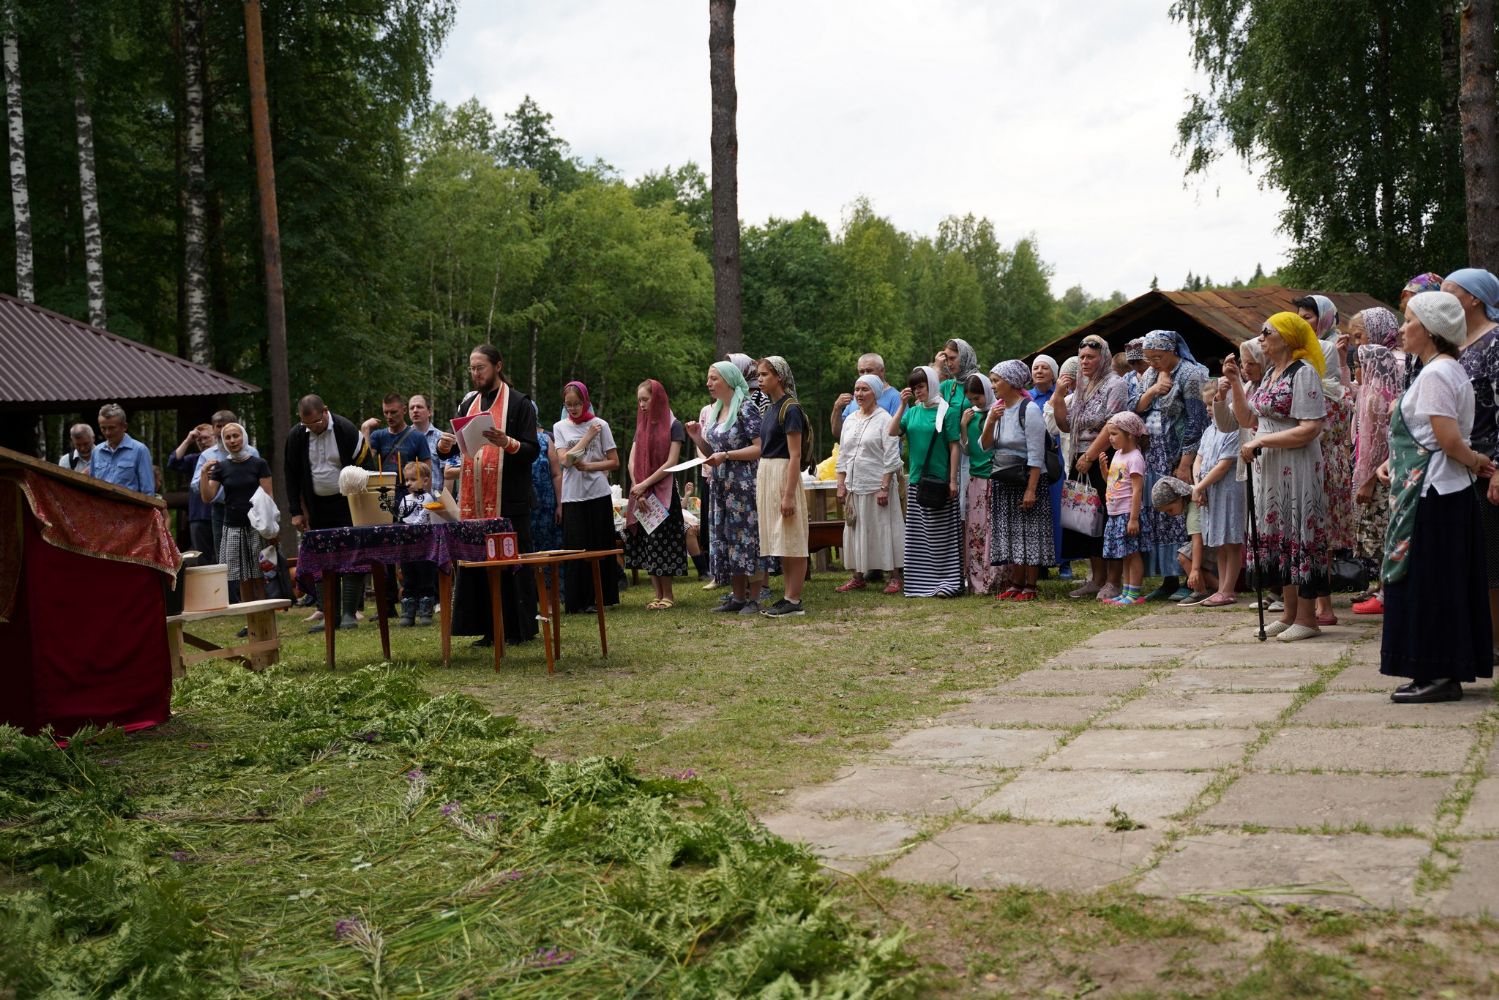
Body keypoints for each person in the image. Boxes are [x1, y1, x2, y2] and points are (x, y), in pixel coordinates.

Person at [1378, 291, 1496, 702]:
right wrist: (1393, 461)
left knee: (1432, 584)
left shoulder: (1437, 374)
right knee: (1435, 582)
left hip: (1435, 495)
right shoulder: (1438, 370)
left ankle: (1439, 674)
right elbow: (1427, 436)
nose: (1402, 328)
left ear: (1429, 330)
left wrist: (1477, 460)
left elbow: (1447, 439)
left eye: (1409, 320)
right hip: (1434, 491)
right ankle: (1432, 669)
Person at [1223, 312, 1329, 641]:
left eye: (1267, 332)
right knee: (1281, 536)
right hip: (1269, 466)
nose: (1261, 337)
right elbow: (1247, 419)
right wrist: (1236, 383)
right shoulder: (1270, 374)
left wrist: (1262, 442)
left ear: (1287, 337)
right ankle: (1289, 614)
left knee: (1299, 532)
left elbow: (1310, 428)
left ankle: (1308, 619)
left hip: (1296, 464)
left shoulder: (1304, 373)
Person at [449, 345, 540, 646]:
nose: (475, 374)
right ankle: (487, 628)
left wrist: (507, 442)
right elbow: (463, 448)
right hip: (475, 503)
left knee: (512, 563)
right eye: (472, 369)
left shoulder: (520, 403)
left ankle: (518, 629)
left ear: (497, 366)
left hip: (509, 500)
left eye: (480, 368)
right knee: (480, 563)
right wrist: (445, 447)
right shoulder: (468, 405)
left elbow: (532, 450)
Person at [1443, 268, 1499, 660]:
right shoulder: (1453, 344)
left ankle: (1493, 641)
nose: (1442, 297)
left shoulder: (1495, 341)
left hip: (1487, 465)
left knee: (1491, 560)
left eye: (1450, 291)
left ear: (1474, 298)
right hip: (1456, 464)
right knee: (1465, 558)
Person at [1131, 330, 1209, 600]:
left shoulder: (1190, 374)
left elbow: (1197, 420)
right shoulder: (1151, 375)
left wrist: (1186, 463)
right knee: (1160, 515)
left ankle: (1190, 576)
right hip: (1153, 454)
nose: (1152, 362)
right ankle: (1168, 577)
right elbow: (1135, 407)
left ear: (1172, 351)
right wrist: (1154, 389)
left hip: (1176, 454)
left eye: (1157, 357)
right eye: (1149, 358)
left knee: (1181, 514)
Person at [1051, 334, 1129, 600]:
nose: (1084, 362)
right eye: (1082, 357)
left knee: (1109, 516)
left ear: (1102, 357)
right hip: (1080, 455)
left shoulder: (1116, 384)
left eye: (1090, 357)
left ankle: (1113, 581)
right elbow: (1065, 425)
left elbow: (1113, 424)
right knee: (1087, 518)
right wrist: (1059, 396)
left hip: (1105, 455)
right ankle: (1096, 579)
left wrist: (1091, 456)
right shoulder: (1083, 386)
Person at [285, 394, 372, 631]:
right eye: (306, 424)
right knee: (323, 558)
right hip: (316, 506)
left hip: (348, 503)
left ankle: (349, 613)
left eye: (316, 422)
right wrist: (296, 511)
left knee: (351, 556)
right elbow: (291, 475)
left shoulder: (346, 429)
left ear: (325, 411)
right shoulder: (297, 435)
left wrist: (365, 504)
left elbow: (367, 465)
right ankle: (329, 614)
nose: (312, 428)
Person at [686, 362, 766, 614]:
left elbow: (759, 447)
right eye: (708, 379)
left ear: (729, 380)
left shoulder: (746, 407)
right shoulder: (718, 410)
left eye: (714, 378)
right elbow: (714, 452)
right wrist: (697, 437)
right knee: (728, 538)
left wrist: (728, 455)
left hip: (743, 485)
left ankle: (755, 598)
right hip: (721, 485)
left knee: (747, 538)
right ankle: (738, 597)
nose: (708, 383)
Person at [1348, 307, 1405, 613]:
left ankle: (1387, 593)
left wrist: (1369, 478)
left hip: (1385, 467)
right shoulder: (1375, 367)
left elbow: (1384, 432)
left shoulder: (1392, 366)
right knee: (1378, 531)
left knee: (1385, 531)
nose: (1358, 344)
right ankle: (1382, 588)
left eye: (1360, 336)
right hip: (1375, 464)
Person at [983, 360, 1055, 600]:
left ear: (1012, 382)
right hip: (1004, 478)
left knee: (1030, 531)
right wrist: (991, 421)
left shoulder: (1029, 409)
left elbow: (1036, 454)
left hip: (1027, 479)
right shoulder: (997, 409)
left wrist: (1031, 490)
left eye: (996, 381)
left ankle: (1030, 586)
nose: (993, 386)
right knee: (1012, 532)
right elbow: (984, 446)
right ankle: (1015, 583)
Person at [890, 365, 962, 598]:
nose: (917, 391)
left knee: (943, 535)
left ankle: (947, 582)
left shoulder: (947, 411)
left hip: (940, 481)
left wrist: (953, 480)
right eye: (914, 388)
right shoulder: (912, 412)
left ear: (931, 384)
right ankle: (921, 582)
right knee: (920, 536)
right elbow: (892, 431)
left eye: (921, 386)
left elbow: (954, 446)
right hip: (917, 481)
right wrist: (902, 405)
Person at [551, 380, 621, 614]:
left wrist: (591, 466)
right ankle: (577, 600)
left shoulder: (601, 425)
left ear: (585, 402)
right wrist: (587, 437)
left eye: (577, 404)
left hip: (598, 493)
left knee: (599, 546)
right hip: (573, 496)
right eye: (568, 404)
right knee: (576, 549)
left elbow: (614, 461)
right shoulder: (560, 427)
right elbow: (565, 460)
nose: (573, 409)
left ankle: (601, 598)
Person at [835, 373, 905, 594]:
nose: (859, 394)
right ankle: (858, 576)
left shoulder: (885, 419)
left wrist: (884, 487)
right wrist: (841, 484)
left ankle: (895, 576)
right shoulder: (850, 420)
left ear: (875, 393)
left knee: (885, 528)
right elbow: (843, 454)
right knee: (856, 529)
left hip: (877, 486)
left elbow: (891, 455)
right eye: (857, 389)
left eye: (864, 389)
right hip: (855, 485)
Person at [624, 378, 688, 610]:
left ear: (657, 399)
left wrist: (645, 485)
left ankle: (667, 594)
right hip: (641, 493)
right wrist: (638, 489)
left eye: (645, 399)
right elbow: (632, 461)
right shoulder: (641, 425)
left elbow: (671, 462)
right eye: (639, 401)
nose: (641, 405)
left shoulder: (674, 425)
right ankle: (656, 593)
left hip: (663, 492)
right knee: (648, 542)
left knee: (662, 542)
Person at [754, 357, 811, 617]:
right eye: (758, 374)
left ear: (779, 376)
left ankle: (794, 599)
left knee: (792, 538)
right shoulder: (770, 408)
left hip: (783, 474)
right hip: (768, 473)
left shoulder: (791, 409)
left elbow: (795, 455)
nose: (760, 379)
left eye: (765, 374)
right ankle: (788, 595)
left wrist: (788, 495)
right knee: (782, 540)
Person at [200, 422, 273, 603]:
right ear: (223, 441)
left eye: (236, 436)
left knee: (260, 574)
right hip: (232, 526)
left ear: (244, 437)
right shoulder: (221, 467)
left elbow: (268, 498)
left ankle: (264, 612)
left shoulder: (259, 464)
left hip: (256, 526)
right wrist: (203, 473)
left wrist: (271, 529)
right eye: (228, 437)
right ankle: (249, 614)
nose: (232, 440)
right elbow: (207, 497)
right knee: (242, 576)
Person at [1187, 382, 1244, 607]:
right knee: (1219, 542)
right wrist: (1198, 485)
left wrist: (1200, 487)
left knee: (1231, 540)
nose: (1208, 409)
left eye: (1211, 404)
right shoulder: (1209, 430)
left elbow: (1223, 465)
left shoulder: (1233, 429)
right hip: (1209, 490)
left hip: (1228, 490)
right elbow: (1198, 460)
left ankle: (1229, 589)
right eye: (1206, 405)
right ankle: (1221, 588)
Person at [1313, 338, 1355, 625]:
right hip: (1338, 464)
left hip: (1318, 463)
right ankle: (1321, 603)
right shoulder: (1341, 392)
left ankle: (1323, 605)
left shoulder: (1318, 394)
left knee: (1317, 536)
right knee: (1326, 540)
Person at [957, 373, 1001, 595]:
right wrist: (963, 426)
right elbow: (966, 450)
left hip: (995, 477)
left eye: (978, 398)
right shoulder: (971, 414)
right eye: (971, 399)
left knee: (994, 529)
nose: (975, 402)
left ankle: (996, 577)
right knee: (976, 531)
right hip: (975, 479)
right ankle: (976, 579)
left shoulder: (998, 411)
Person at [1100, 411, 1148, 605]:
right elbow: (1113, 481)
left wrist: (1134, 518)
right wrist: (1104, 471)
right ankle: (1126, 591)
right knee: (1125, 554)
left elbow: (1137, 490)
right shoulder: (1118, 454)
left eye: (1114, 434)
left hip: (1128, 513)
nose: (1110, 438)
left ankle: (1133, 593)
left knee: (1132, 554)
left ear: (1129, 434)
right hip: (1115, 512)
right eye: (1109, 434)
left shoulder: (1135, 458)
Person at [1149, 474, 1215, 602]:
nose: (1170, 514)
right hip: (1215, 541)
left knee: (1183, 556)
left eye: (1170, 510)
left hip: (1213, 544)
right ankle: (1219, 589)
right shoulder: (1190, 494)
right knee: (1197, 566)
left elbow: (1197, 541)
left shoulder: (1193, 509)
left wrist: (1194, 570)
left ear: (1179, 498)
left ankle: (1201, 591)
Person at [1029, 354, 1066, 572]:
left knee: (1059, 508)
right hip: (1035, 459)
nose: (1039, 371)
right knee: (1037, 510)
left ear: (1054, 373)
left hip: (1057, 458)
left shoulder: (1062, 395)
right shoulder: (1027, 398)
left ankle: (1064, 561)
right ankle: (1040, 562)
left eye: (1045, 367)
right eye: (1036, 368)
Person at [395, 461, 438, 626]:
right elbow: (401, 517)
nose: (408, 483)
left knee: (426, 576)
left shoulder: (428, 498)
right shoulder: (405, 499)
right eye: (407, 480)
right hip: (408, 545)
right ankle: (408, 611)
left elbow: (423, 517)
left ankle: (425, 610)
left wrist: (410, 526)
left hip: (424, 544)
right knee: (408, 577)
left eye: (413, 479)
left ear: (425, 481)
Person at [167, 422, 217, 556]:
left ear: (216, 437)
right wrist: (188, 440)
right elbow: (173, 462)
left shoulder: (223, 457)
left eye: (206, 438)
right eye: (199, 440)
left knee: (223, 555)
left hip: (220, 513)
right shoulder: (194, 459)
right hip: (199, 515)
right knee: (202, 557)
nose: (202, 442)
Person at [829, 353, 902, 438]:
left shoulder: (896, 397)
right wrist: (837, 408)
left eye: (869, 371)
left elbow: (898, 433)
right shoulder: (856, 398)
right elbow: (838, 432)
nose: (865, 375)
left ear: (882, 371)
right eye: (862, 371)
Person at [90, 403, 154, 494]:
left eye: (112, 428)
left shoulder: (140, 450)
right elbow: (92, 486)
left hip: (129, 503)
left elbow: (148, 492)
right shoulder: (96, 451)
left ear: (124, 427)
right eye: (103, 428)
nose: (107, 433)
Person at [407, 394, 453, 488]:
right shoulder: (403, 438)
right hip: (407, 496)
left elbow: (448, 476)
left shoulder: (442, 439)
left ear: (429, 412)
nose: (415, 410)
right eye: (412, 408)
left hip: (434, 497)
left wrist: (444, 497)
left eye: (419, 407)